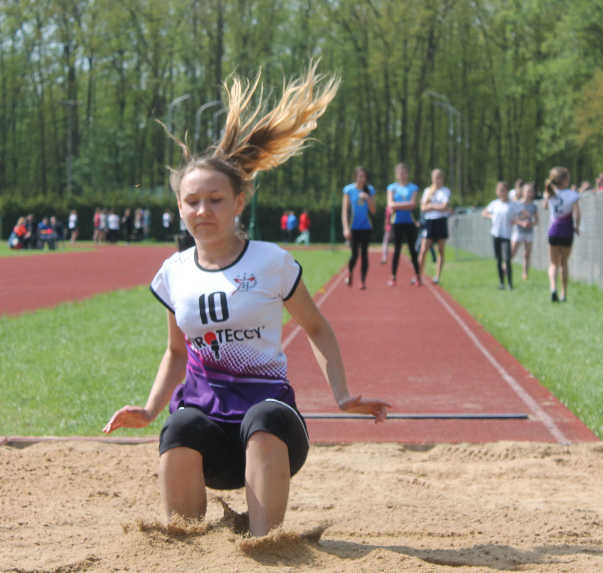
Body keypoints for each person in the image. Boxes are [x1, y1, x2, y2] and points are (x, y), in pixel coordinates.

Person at [102, 66, 390, 537]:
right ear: (180, 207)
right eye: (192, 201)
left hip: (272, 431)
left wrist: (341, 395)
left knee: (264, 415)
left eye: (215, 200)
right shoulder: (174, 272)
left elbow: (316, 327)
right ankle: (183, 545)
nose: (203, 210)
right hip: (211, 440)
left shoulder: (271, 261)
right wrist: (151, 410)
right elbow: (176, 351)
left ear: (239, 202)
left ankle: (265, 544)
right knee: (180, 425)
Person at [543, 167, 580, 302]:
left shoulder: (550, 193)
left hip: (553, 231)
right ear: (565, 180)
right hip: (567, 231)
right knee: (563, 263)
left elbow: (545, 206)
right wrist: (577, 227)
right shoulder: (572, 194)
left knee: (553, 263)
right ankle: (564, 293)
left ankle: (553, 289)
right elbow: (577, 214)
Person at [342, 166, 377, 289]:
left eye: (364, 176)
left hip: (366, 227)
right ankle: (350, 271)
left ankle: (362, 281)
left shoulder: (370, 190)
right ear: (355, 177)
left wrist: (368, 198)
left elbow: (373, 210)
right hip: (353, 227)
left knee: (364, 254)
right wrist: (346, 228)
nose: (361, 178)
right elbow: (345, 210)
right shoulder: (349, 190)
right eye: (359, 176)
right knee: (354, 254)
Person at [386, 163, 421, 286]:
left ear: (408, 174)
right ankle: (393, 277)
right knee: (397, 250)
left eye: (405, 173)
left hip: (410, 222)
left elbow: (413, 204)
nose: (403, 175)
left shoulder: (413, 188)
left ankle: (418, 276)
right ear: (397, 175)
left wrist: (397, 205)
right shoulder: (392, 188)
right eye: (401, 173)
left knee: (412, 249)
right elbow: (390, 204)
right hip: (396, 222)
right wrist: (406, 204)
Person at [417, 168, 450, 284]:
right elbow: (423, 208)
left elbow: (444, 207)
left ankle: (437, 276)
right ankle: (418, 275)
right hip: (429, 221)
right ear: (432, 179)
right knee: (423, 249)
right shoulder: (427, 191)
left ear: (443, 179)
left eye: (439, 178)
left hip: (441, 221)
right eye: (435, 178)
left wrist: (431, 206)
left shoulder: (445, 191)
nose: (437, 180)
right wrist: (434, 207)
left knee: (440, 249)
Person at [482, 182, 517, 290]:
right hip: (496, 234)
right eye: (500, 191)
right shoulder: (494, 204)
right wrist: (492, 216)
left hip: (506, 235)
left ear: (507, 191)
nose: (502, 193)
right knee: (498, 260)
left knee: (507, 259)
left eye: (504, 190)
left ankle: (510, 284)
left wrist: (515, 220)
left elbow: (523, 213)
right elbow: (484, 213)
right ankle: (501, 283)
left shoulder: (512, 204)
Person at [510, 182, 538, 281]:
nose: (529, 193)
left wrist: (530, 224)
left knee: (527, 254)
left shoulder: (534, 206)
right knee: (512, 252)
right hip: (518, 231)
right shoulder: (518, 204)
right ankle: (505, 268)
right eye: (527, 191)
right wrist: (522, 223)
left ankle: (525, 274)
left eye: (531, 191)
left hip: (529, 232)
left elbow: (537, 221)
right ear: (523, 192)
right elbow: (514, 219)